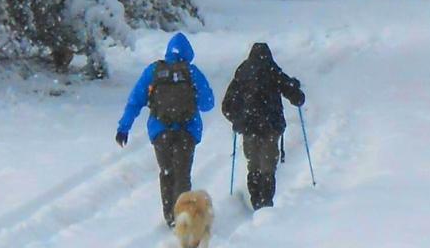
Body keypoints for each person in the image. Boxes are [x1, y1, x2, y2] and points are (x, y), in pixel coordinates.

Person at [116, 33, 215, 225]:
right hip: (187, 131)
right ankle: (183, 216)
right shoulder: (192, 72)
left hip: (160, 131)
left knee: (167, 172)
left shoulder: (153, 71)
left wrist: (124, 127)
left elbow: (135, 101)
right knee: (182, 174)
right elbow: (208, 103)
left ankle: (170, 215)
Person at [221, 42, 305, 210]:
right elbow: (294, 95)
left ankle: (255, 199)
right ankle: (265, 202)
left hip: (249, 126)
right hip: (270, 125)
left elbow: (227, 105)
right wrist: (297, 92)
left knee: (253, 165)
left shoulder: (243, 72)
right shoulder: (272, 70)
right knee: (268, 166)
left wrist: (237, 120)